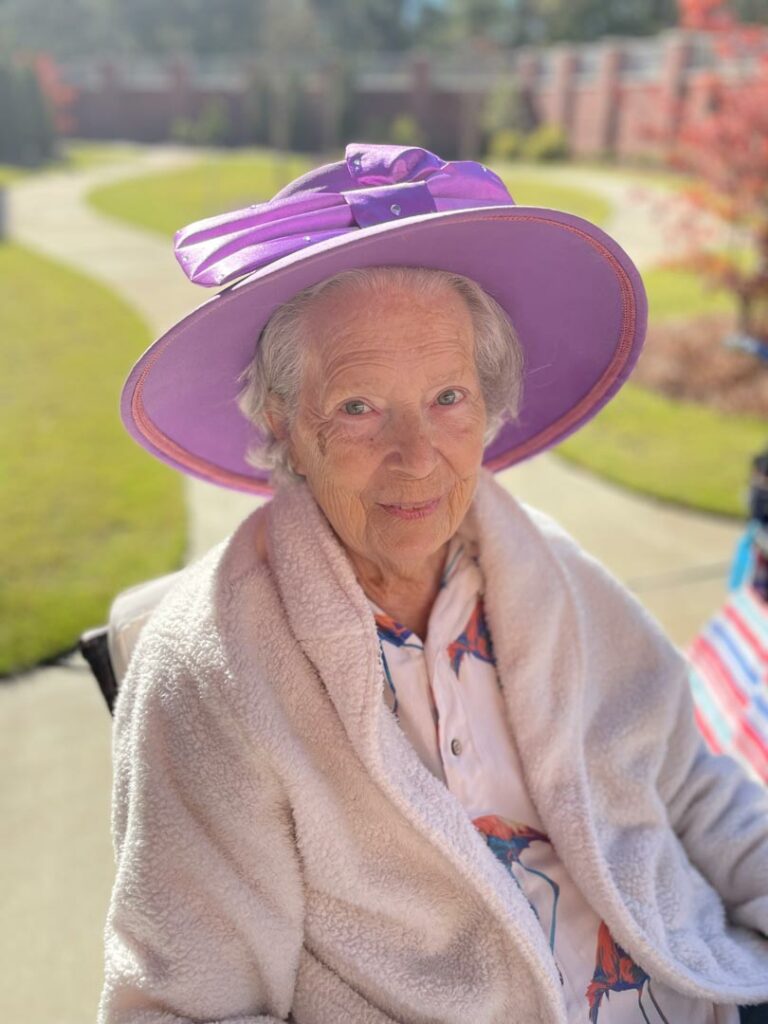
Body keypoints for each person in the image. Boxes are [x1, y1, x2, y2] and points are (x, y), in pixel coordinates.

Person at [98, 143, 768, 1024]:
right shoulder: (211, 673)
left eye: (449, 397)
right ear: (283, 423)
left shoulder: (555, 574)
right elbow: (180, 1008)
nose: (417, 458)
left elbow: (691, 788)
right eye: (358, 407)